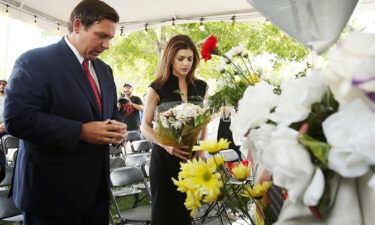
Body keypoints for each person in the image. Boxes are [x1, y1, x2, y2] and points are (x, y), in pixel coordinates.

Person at [4, 1, 126, 225]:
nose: (106, 45)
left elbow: (112, 111)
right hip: (50, 196)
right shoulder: (35, 61)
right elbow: (17, 119)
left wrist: (117, 126)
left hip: (96, 195)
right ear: (78, 25)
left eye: (110, 38)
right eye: (101, 35)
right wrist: (80, 131)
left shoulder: (104, 70)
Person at [141, 34, 208, 225]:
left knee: (186, 212)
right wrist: (166, 145)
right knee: (164, 214)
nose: (186, 63)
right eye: (181, 58)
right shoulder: (157, 87)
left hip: (192, 157)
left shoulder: (201, 87)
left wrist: (201, 150)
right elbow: (144, 126)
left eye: (190, 58)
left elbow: (203, 122)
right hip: (164, 159)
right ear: (170, 58)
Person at [119, 83, 143, 153]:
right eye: (125, 87)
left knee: (137, 148)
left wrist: (131, 104)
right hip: (124, 127)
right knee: (124, 149)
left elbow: (142, 108)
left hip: (135, 127)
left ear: (132, 89)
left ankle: (138, 162)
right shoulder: (121, 100)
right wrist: (118, 102)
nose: (127, 89)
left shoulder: (136, 98)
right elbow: (117, 112)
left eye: (129, 87)